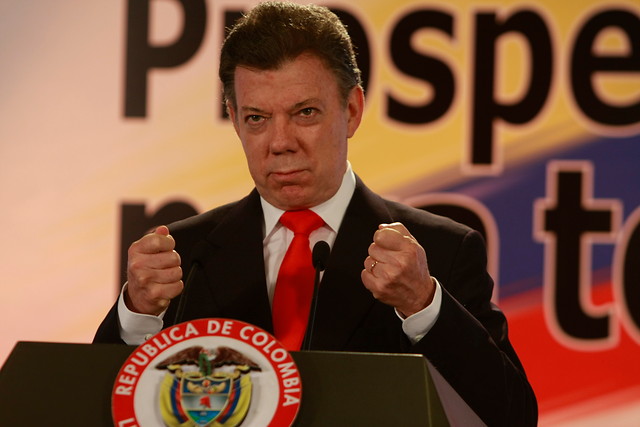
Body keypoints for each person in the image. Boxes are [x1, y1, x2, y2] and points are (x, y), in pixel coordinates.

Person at [95, 2, 537, 425]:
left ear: (352, 110)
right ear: (233, 117)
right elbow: (90, 406)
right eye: (256, 118)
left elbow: (511, 417)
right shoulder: (182, 259)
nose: (280, 142)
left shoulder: (440, 252)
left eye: (304, 113)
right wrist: (136, 315)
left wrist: (423, 305)